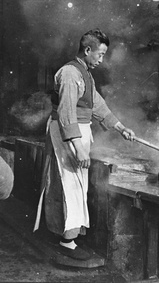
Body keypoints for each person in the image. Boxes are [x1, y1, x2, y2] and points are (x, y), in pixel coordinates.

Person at [33, 28, 135, 260]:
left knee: (77, 184)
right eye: (99, 54)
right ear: (87, 50)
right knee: (71, 183)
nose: (101, 59)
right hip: (68, 132)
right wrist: (78, 148)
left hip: (79, 131)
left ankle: (67, 234)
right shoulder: (70, 73)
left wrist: (120, 128)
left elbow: (97, 105)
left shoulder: (85, 73)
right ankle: (67, 241)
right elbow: (67, 113)